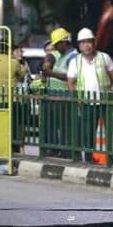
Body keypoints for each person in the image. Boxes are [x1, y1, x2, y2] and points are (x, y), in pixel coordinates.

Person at [66, 27, 113, 161]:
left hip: (105, 100)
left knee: (108, 130)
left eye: (89, 42)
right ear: (79, 46)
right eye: (83, 43)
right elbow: (71, 82)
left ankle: (109, 157)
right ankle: (88, 156)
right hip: (86, 101)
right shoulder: (75, 62)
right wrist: (77, 98)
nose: (87, 45)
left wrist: (106, 88)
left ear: (94, 43)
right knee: (88, 131)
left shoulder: (104, 58)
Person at [0, 32, 28, 151]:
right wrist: (24, 66)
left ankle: (0, 146)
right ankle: (13, 148)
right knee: (13, 126)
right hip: (12, 99)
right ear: (8, 49)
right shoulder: (14, 62)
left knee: (0, 125)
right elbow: (21, 75)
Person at [40, 27, 74, 155]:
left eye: (57, 44)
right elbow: (48, 63)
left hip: (65, 96)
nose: (55, 47)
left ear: (64, 42)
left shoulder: (73, 57)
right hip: (54, 96)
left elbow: (70, 77)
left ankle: (67, 152)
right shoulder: (60, 55)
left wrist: (51, 73)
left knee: (65, 127)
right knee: (53, 125)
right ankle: (55, 149)